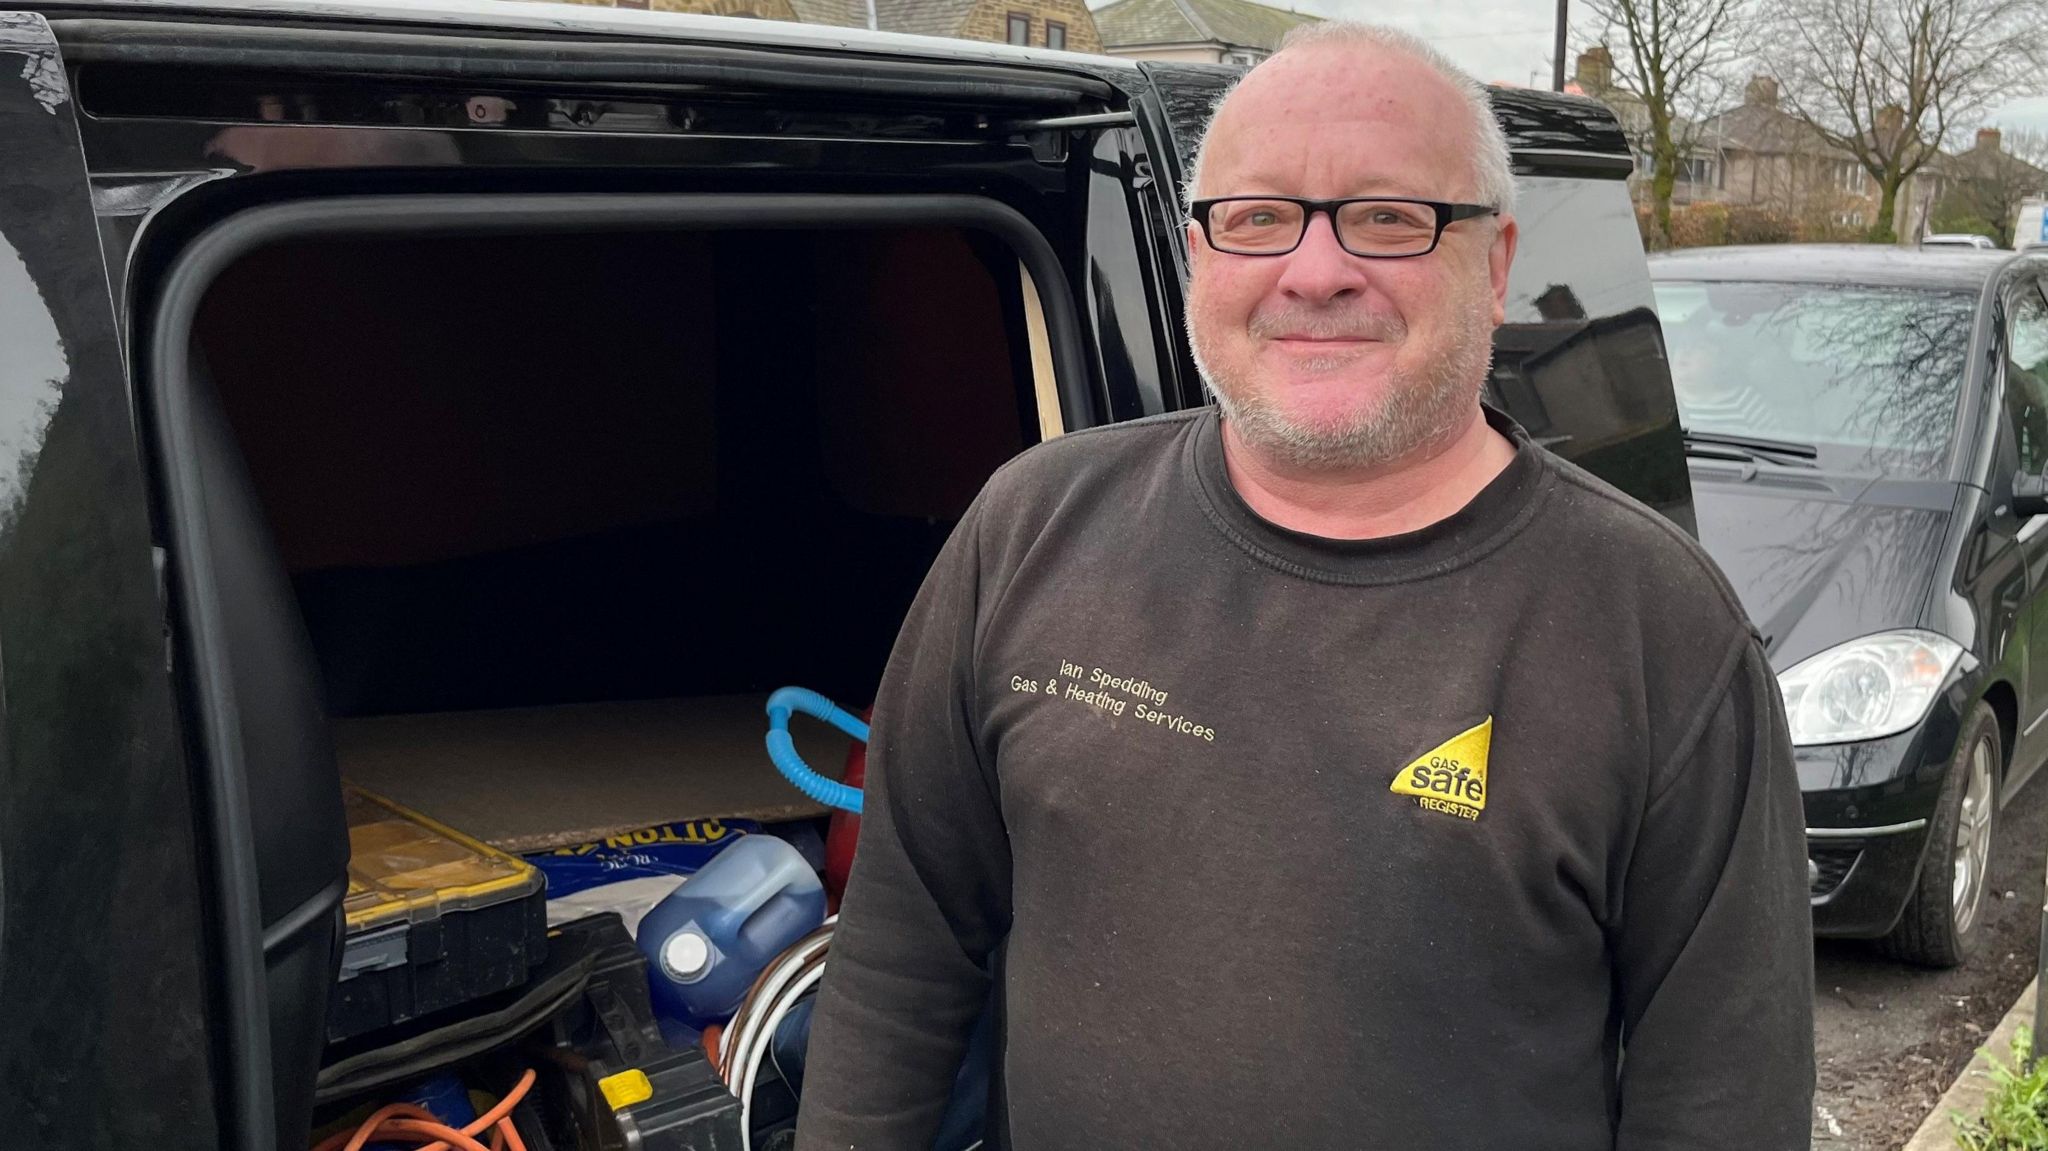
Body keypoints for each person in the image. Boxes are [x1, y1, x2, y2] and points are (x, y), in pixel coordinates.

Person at [795, 21, 1814, 1150]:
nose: (1315, 270)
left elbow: (1722, 1101)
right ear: (1197, 256)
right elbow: (900, 957)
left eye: (1386, 217)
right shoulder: (1028, 529)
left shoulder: (1658, 630)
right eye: (1257, 217)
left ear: (1492, 263)